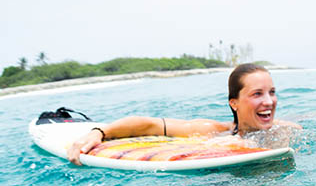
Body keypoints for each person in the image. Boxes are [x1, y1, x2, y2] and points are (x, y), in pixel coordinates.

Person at [67, 63, 300, 164]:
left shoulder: (287, 131)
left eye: (272, 92)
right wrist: (99, 131)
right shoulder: (213, 132)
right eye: (257, 94)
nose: (269, 101)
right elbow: (149, 125)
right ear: (234, 103)